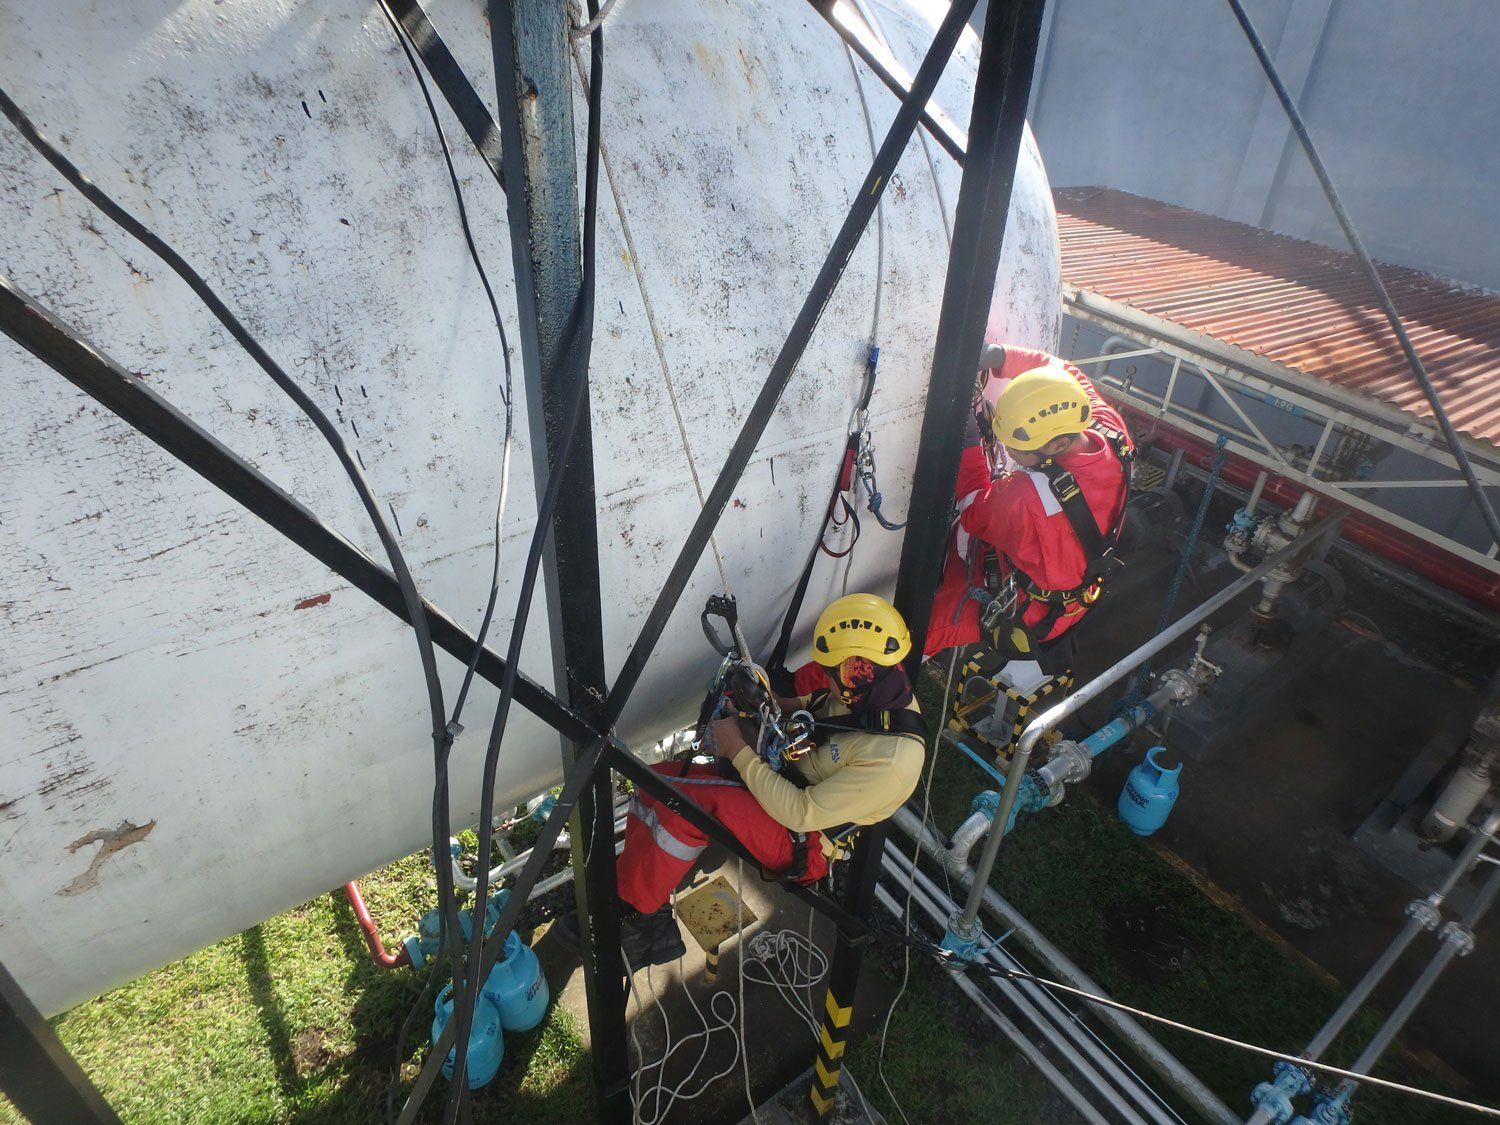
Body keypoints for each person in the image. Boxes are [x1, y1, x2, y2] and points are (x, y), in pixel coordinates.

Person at [555, 594, 925, 967]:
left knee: (682, 805)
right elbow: (815, 711)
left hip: (804, 840)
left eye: (832, 673)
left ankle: (642, 929)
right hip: (789, 787)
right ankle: (628, 899)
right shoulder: (869, 693)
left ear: (858, 670)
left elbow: (800, 813)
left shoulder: (892, 761)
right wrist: (760, 703)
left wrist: (738, 751)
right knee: (658, 781)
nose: (826, 679)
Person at [927, 344, 1133, 697]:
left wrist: (969, 445)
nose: (1007, 453)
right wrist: (997, 356)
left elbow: (972, 511)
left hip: (1029, 610)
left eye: (1015, 448)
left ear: (1057, 445)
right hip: (1075, 589)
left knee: (914, 631)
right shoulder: (1106, 431)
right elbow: (1063, 371)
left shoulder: (1027, 498)